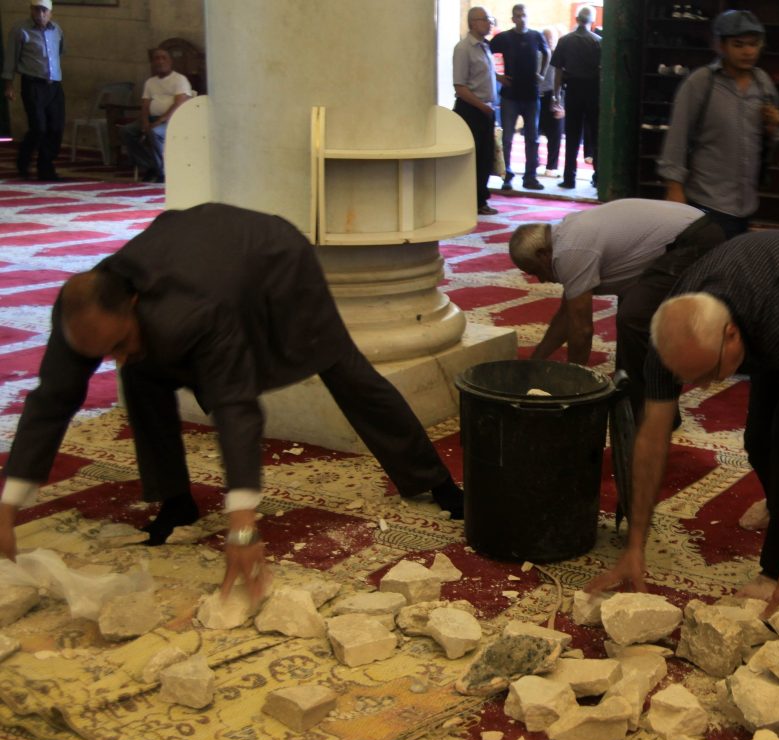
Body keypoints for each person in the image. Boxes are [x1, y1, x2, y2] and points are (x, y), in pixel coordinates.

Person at [0, 204, 465, 601]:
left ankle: (434, 480)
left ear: (136, 305)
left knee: (343, 367)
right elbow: (52, 398)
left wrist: (242, 527)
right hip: (197, 254)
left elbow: (235, 407)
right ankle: (176, 502)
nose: (114, 359)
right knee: (141, 375)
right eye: (104, 353)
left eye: (118, 343)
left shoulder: (195, 314)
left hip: (275, 262)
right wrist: (7, 507)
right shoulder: (82, 308)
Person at [585, 231, 779, 616]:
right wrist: (635, 545)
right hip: (777, 290)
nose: (702, 387)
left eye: (708, 374)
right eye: (691, 378)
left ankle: (778, 566)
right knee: (756, 441)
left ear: (732, 335)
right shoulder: (671, 335)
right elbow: (651, 439)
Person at [509, 200, 725, 414]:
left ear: (543, 254)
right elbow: (566, 317)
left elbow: (581, 330)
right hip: (692, 231)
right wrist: (533, 364)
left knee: (633, 317)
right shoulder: (565, 238)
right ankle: (634, 402)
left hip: (694, 240)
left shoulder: (570, 250)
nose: (541, 280)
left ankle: (649, 413)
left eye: (536, 271)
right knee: (633, 314)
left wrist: (573, 389)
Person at [658, 10, 779, 238]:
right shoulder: (701, 83)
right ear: (720, 46)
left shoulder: (763, 84)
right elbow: (677, 136)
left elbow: (768, 143)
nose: (748, 51)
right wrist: (674, 190)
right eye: (738, 44)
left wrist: (773, 128)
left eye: (753, 44)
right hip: (706, 203)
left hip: (746, 205)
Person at [2, 0, 65, 181]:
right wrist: (8, 84)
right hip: (33, 85)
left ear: (51, 13)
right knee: (39, 127)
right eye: (37, 10)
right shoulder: (20, 30)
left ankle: (46, 167)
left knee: (56, 128)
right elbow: (11, 59)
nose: (41, 14)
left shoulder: (57, 30)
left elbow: (59, 52)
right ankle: (23, 160)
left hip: (54, 85)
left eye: (44, 10)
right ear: (31, 10)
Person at [490, 4, 549, 192]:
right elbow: (485, 52)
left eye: (523, 15)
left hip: (531, 95)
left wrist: (542, 73)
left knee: (532, 138)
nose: (521, 18)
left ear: (527, 16)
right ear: (513, 18)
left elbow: (547, 52)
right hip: (510, 96)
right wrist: (497, 76)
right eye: (517, 15)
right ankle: (507, 175)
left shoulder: (536, 36)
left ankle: (530, 177)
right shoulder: (505, 38)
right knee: (507, 138)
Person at [117, 48, 192, 183]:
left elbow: (179, 103)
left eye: (163, 58)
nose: (160, 61)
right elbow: (145, 105)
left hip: (173, 120)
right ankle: (151, 165)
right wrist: (145, 122)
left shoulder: (179, 79)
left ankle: (161, 172)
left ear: (170, 61)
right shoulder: (150, 82)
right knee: (127, 131)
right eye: (156, 58)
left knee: (154, 132)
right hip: (152, 118)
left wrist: (161, 120)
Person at [453, 6, 499, 216]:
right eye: (485, 20)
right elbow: (460, 87)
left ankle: (480, 198)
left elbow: (483, 75)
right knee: (475, 158)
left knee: (486, 157)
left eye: (490, 20)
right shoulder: (464, 48)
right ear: (473, 23)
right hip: (472, 110)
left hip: (486, 109)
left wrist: (500, 79)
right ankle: (474, 201)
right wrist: (482, 107)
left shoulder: (484, 47)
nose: (489, 23)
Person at [550, 5, 601, 189]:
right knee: (595, 135)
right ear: (592, 21)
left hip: (573, 90)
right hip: (593, 91)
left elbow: (557, 70)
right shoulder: (598, 42)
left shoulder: (565, 41)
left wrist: (557, 95)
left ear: (577, 18)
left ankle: (569, 178)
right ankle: (598, 177)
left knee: (572, 136)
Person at [538, 27, 564, 177]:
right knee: (533, 134)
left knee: (555, 135)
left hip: (554, 97)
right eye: (546, 39)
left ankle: (551, 167)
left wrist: (562, 105)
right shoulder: (536, 56)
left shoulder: (559, 57)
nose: (548, 42)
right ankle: (534, 163)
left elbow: (564, 83)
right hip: (538, 97)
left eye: (551, 39)